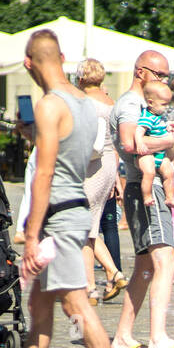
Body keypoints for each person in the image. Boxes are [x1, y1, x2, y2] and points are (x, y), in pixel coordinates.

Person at [0, 30, 129, 348]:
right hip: (73, 208)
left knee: (76, 304)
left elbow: (43, 176)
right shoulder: (85, 103)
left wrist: (31, 234)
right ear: (61, 56)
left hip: (58, 217)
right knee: (39, 308)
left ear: (28, 63)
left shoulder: (48, 105)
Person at [107, 50, 174, 348]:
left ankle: (122, 336)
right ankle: (157, 338)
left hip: (141, 186)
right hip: (148, 187)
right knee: (166, 261)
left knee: (145, 266)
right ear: (140, 72)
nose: (164, 83)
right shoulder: (133, 104)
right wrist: (169, 142)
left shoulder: (139, 104)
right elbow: (131, 143)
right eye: (160, 75)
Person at [75, 58, 126, 303]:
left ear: (82, 77)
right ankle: (93, 287)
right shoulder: (111, 102)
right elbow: (116, 143)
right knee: (90, 227)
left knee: (85, 228)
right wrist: (115, 175)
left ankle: (111, 274)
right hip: (107, 164)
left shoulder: (84, 102)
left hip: (90, 165)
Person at [135, 81, 174, 211]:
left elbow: (160, 128)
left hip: (160, 153)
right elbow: (139, 131)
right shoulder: (147, 116)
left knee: (169, 173)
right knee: (149, 172)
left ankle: (170, 197)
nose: (166, 107)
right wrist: (139, 143)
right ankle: (147, 196)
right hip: (149, 154)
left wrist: (169, 126)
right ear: (150, 102)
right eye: (163, 104)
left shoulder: (159, 116)